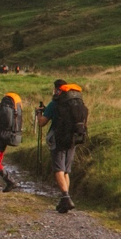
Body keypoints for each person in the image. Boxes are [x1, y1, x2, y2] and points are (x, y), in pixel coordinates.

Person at [42, 78, 87, 212]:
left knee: (58, 169)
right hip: (73, 138)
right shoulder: (76, 102)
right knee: (66, 171)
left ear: (57, 89)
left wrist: (40, 114)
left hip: (59, 139)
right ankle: (65, 200)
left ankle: (65, 197)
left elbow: (42, 123)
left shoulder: (54, 103)